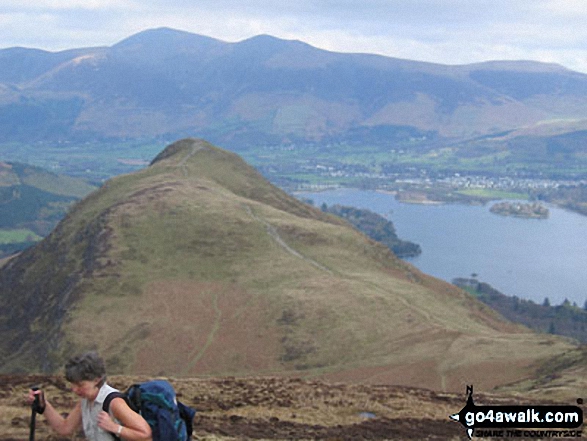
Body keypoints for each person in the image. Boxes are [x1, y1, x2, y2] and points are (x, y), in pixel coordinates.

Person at [27, 351, 151, 441]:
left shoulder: (114, 402)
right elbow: (65, 428)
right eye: (73, 384)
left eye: (80, 384)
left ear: (96, 380)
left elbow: (145, 433)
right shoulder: (85, 402)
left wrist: (114, 427)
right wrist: (44, 405)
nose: (75, 390)